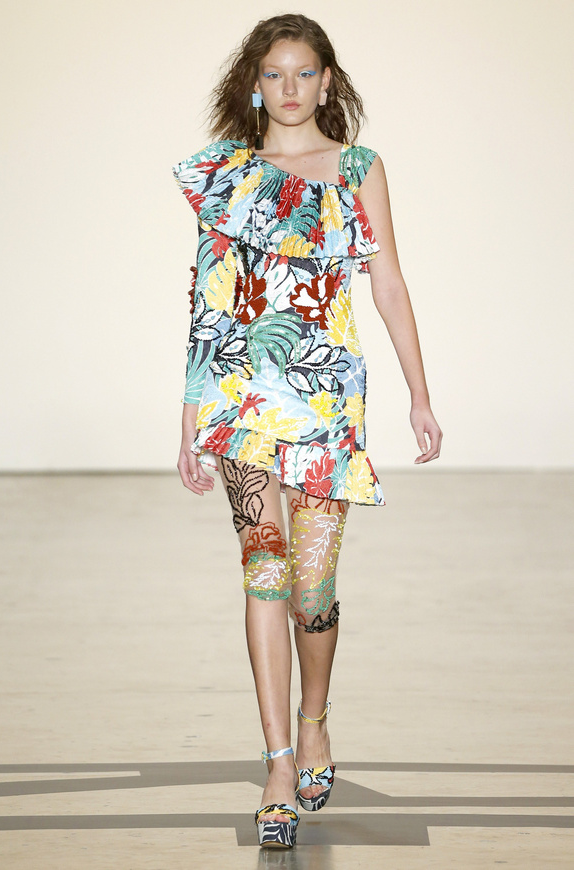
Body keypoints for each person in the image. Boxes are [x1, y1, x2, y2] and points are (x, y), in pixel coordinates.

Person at [173, 13, 442, 849]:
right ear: (253, 85)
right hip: (240, 399)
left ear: (328, 80)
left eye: (304, 72)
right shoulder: (227, 173)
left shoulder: (359, 169)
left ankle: (315, 719)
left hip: (326, 401)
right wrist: (189, 418)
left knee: (311, 591)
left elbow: (388, 283)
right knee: (265, 571)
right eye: (273, 73)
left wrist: (419, 395)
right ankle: (279, 765)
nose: (289, 88)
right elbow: (208, 298)